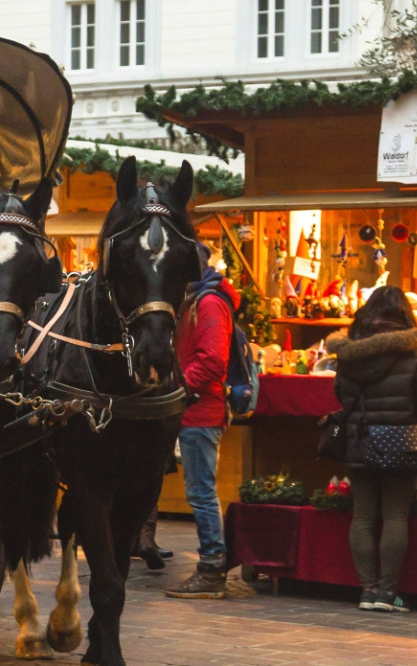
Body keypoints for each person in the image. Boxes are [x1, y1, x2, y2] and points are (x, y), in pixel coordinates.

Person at [325, 286, 417, 612]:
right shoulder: (413, 350)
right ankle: (388, 594)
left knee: (363, 517)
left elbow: (340, 394)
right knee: (394, 516)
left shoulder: (348, 352)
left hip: (360, 439)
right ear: (403, 314)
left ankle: (367, 591)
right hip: (400, 441)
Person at [165, 253, 238, 600]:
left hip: (199, 411)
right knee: (201, 491)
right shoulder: (194, 300)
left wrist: (178, 389)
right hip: (192, 408)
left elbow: (212, 358)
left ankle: (211, 568)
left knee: (201, 493)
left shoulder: (208, 303)